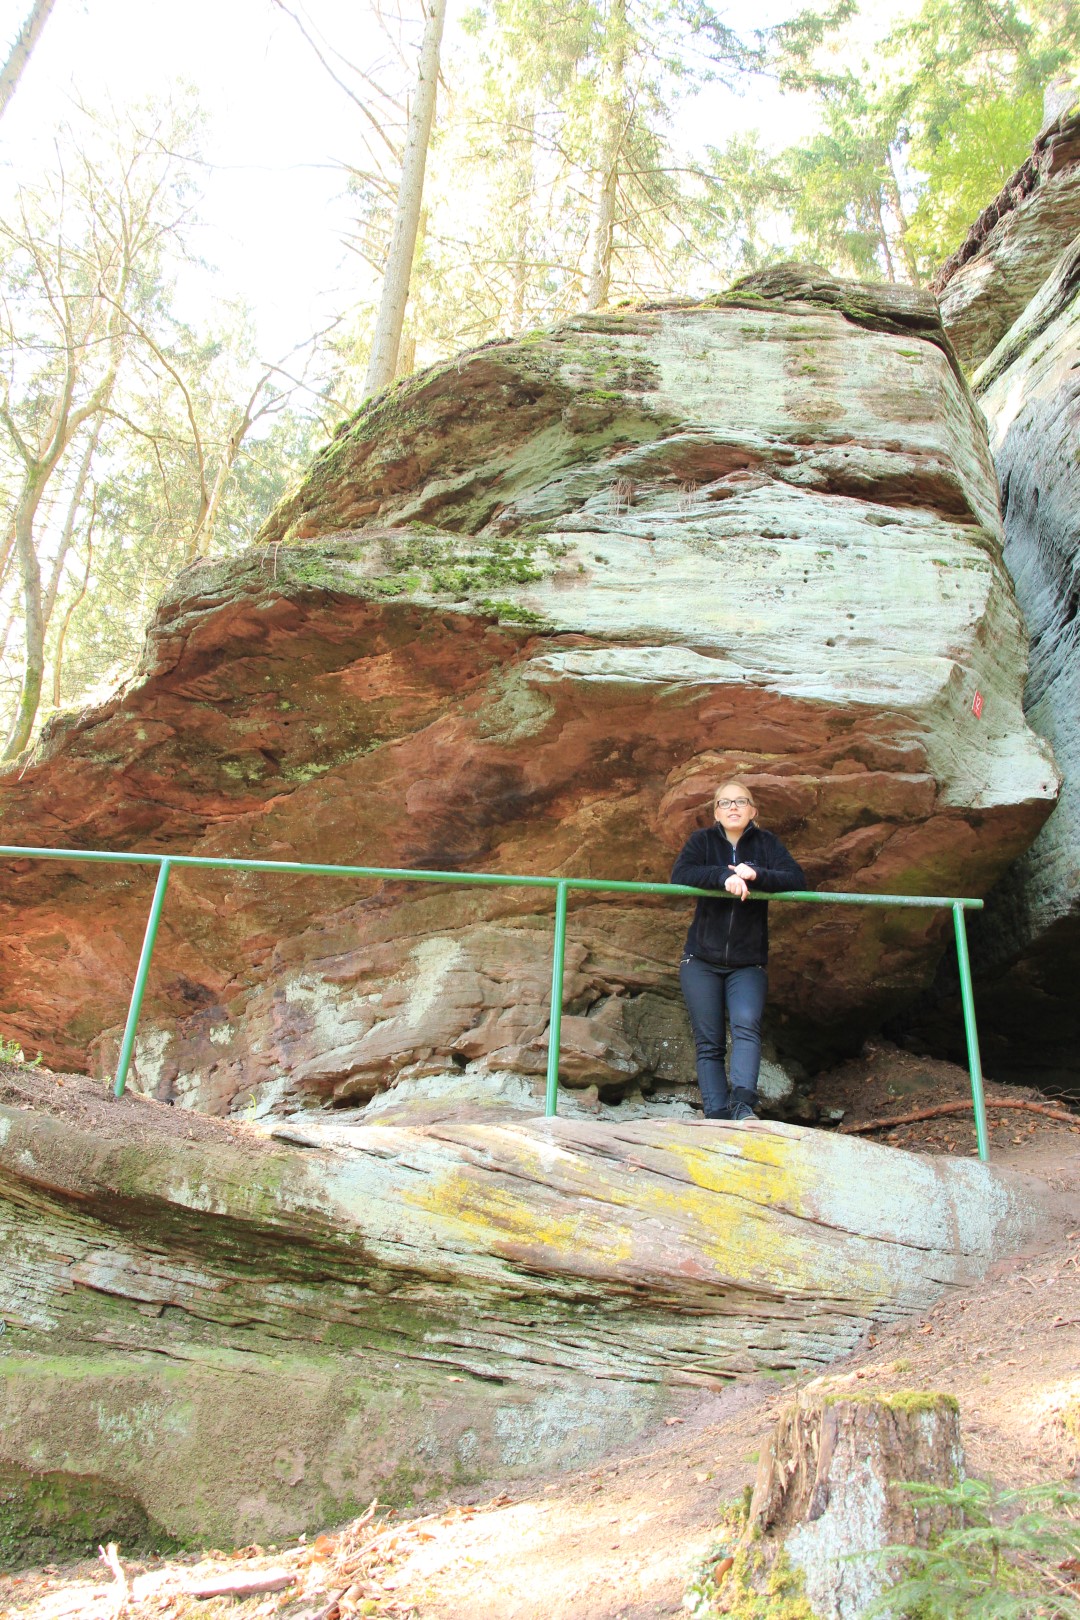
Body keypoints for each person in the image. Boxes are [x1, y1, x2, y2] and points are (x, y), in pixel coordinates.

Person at [671, 780, 806, 1121]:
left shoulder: (765, 843)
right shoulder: (702, 841)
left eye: (741, 802)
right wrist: (722, 877)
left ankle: (743, 1106)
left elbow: (796, 878)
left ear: (752, 811)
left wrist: (756, 873)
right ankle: (716, 1114)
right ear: (716, 812)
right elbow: (681, 873)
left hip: (747, 962)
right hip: (700, 959)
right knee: (710, 1040)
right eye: (725, 802)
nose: (733, 807)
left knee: (747, 1024)